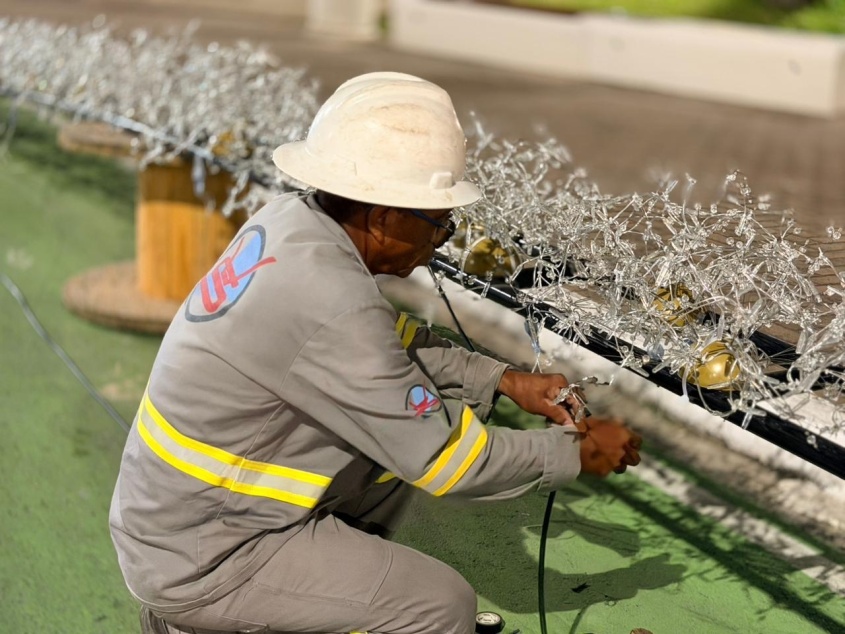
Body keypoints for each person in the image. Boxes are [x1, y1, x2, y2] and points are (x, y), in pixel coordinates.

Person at [110, 72, 642, 634]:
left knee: (385, 461)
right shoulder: (330, 302)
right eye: (438, 224)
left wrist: (503, 379)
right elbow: (446, 460)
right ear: (385, 219)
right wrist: (573, 453)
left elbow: (388, 348)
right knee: (438, 606)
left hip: (177, 522)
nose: (440, 240)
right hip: (205, 558)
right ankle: (202, 622)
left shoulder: (290, 224)